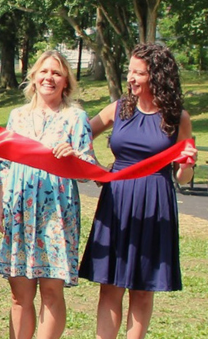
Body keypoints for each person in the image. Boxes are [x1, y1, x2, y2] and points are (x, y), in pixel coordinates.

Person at [83, 42, 198, 339]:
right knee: (110, 285)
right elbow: (80, 135)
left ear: (157, 76)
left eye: (139, 72)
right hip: (117, 201)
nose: (130, 78)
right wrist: (96, 170)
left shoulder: (177, 119)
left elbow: (183, 176)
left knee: (143, 288)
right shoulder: (118, 108)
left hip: (154, 202)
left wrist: (186, 167)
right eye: (129, 71)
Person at [0, 50, 93, 339]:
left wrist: (74, 157)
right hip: (20, 210)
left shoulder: (76, 118)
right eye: (44, 71)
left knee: (51, 292)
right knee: (19, 293)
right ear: (34, 77)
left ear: (66, 82)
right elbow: (4, 164)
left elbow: (88, 169)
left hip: (57, 214)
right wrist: (1, 201)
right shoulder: (17, 116)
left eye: (57, 73)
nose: (49, 77)